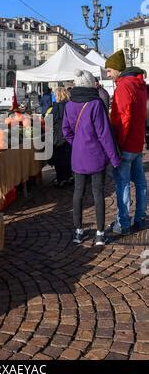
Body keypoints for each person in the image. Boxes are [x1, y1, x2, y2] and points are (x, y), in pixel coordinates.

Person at [62, 69, 120, 246]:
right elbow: (104, 134)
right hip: (96, 155)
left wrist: (77, 143)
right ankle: (100, 233)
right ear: (90, 83)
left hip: (78, 156)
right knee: (98, 193)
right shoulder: (96, 104)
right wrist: (114, 158)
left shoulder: (69, 105)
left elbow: (66, 131)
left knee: (78, 193)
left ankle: (78, 231)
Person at [105, 49, 147, 235]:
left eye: (109, 70)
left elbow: (123, 118)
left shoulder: (123, 86)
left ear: (117, 69)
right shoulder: (140, 85)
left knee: (122, 184)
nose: (108, 74)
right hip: (138, 143)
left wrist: (118, 144)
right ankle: (140, 218)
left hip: (127, 143)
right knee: (140, 183)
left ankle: (123, 223)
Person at [49, 87, 72, 187]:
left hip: (58, 135)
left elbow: (49, 120)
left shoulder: (57, 106)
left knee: (59, 158)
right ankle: (69, 177)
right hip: (69, 134)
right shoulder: (70, 105)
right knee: (68, 157)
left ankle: (61, 179)